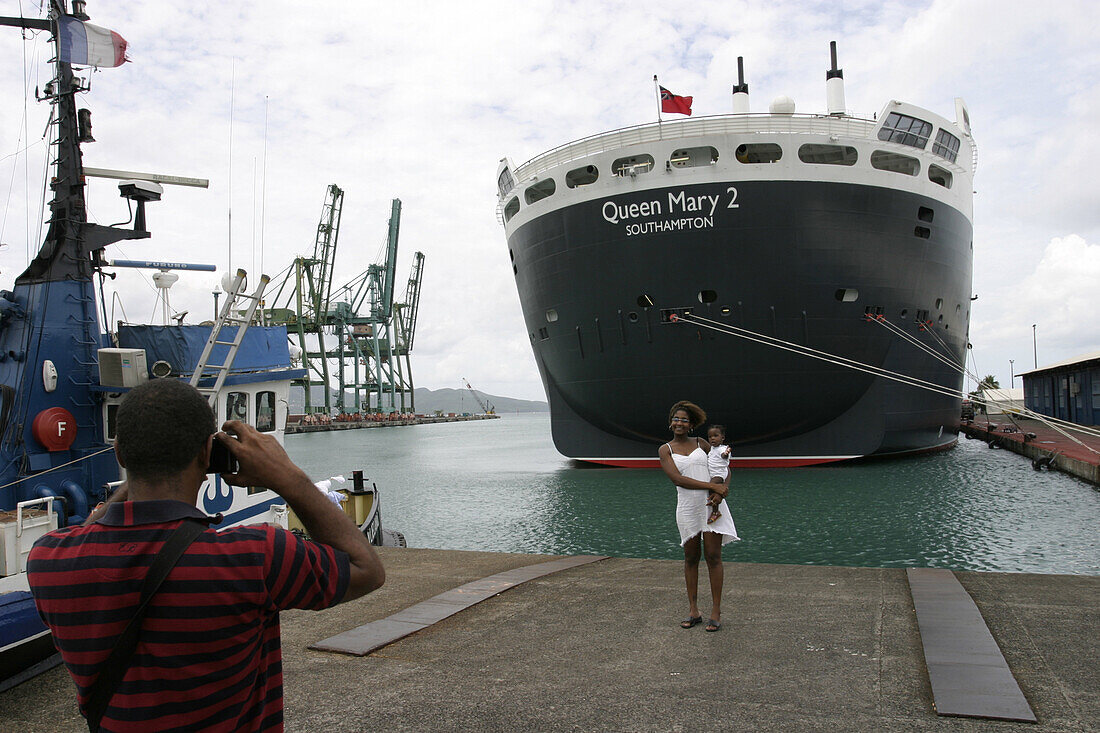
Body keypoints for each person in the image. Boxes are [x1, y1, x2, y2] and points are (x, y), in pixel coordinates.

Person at [27, 379, 385, 732]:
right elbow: (366, 569)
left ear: (119, 453)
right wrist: (287, 477)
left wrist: (136, 475)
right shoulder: (254, 557)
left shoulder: (48, 562)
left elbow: (87, 531)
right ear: (206, 455)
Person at [658, 401, 739, 633]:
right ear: (670, 422)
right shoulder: (666, 449)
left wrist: (720, 491)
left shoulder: (701, 443)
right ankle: (694, 610)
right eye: (676, 419)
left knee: (713, 556)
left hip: (710, 504)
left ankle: (715, 611)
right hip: (687, 507)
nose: (679, 423)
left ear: (691, 425)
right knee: (691, 558)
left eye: (684, 420)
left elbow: (724, 467)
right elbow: (677, 479)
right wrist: (711, 486)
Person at [705, 424, 732, 524]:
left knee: (710, 486)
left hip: (719, 474)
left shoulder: (722, 448)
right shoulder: (712, 449)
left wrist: (726, 453)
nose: (712, 438)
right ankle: (714, 498)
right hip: (714, 473)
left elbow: (724, 456)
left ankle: (716, 512)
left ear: (722, 438)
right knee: (712, 488)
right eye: (710, 436)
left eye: (715, 436)